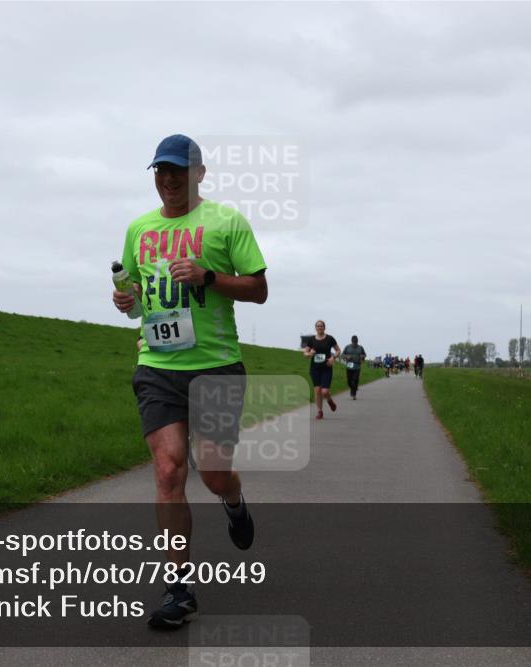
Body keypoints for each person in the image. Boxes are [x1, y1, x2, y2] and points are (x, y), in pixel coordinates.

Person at [112, 134, 268, 629]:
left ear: (199, 173)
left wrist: (207, 277)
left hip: (216, 366)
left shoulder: (225, 221)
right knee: (168, 471)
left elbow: (259, 289)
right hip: (157, 366)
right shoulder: (139, 228)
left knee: (214, 472)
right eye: (161, 170)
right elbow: (136, 295)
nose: (169, 178)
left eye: (179, 169)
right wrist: (126, 302)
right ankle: (179, 587)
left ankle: (233, 501)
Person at [303, 320, 340, 419]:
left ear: (324, 327)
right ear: (315, 328)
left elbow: (338, 350)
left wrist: (333, 358)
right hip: (315, 368)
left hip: (326, 367)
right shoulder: (311, 340)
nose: (319, 327)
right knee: (317, 390)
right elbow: (305, 353)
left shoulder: (330, 339)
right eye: (318, 326)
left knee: (324, 391)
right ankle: (320, 411)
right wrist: (310, 354)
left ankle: (329, 401)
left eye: (321, 326)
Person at [341, 335, 367, 399]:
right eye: (353, 342)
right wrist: (346, 357)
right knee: (349, 381)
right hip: (349, 365)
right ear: (351, 341)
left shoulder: (360, 347)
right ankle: (353, 389)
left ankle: (353, 393)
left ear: (357, 341)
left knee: (355, 380)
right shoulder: (347, 347)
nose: (354, 343)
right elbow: (342, 355)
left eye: (355, 342)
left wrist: (362, 356)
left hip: (357, 366)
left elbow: (364, 354)